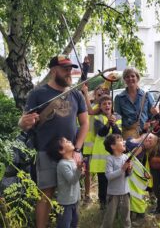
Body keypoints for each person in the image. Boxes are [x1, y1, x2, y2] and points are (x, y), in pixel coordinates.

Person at [18, 54, 88, 228]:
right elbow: (24, 122)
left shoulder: (76, 94)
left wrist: (77, 150)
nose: (69, 73)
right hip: (45, 152)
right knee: (46, 194)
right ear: (53, 71)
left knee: (71, 194)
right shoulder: (38, 94)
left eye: (70, 69)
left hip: (70, 154)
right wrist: (23, 123)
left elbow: (85, 123)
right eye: (65, 69)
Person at [89, 94, 122, 210]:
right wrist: (108, 123)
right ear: (100, 107)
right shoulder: (97, 118)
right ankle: (102, 203)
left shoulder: (117, 117)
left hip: (114, 155)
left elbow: (118, 134)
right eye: (104, 104)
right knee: (102, 182)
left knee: (114, 180)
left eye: (109, 103)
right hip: (102, 157)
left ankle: (114, 204)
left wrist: (113, 124)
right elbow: (101, 133)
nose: (107, 105)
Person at [81, 84, 110, 205]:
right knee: (87, 171)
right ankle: (87, 195)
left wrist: (86, 93)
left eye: (103, 93)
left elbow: (90, 111)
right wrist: (86, 93)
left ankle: (102, 196)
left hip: (98, 144)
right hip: (89, 144)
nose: (101, 94)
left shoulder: (100, 107)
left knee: (101, 171)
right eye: (98, 93)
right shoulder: (93, 105)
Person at [47, 137, 83, 228]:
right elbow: (72, 180)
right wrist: (79, 170)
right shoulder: (63, 164)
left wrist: (81, 172)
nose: (70, 141)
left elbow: (76, 177)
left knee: (74, 223)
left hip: (74, 200)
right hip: (66, 203)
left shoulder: (72, 161)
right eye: (66, 141)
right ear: (61, 151)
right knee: (64, 224)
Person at [125, 133, 159, 223]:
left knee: (135, 194)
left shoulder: (140, 148)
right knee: (131, 195)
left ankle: (140, 215)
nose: (149, 140)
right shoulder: (131, 139)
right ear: (146, 134)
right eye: (150, 137)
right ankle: (132, 214)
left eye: (151, 143)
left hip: (133, 173)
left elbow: (130, 157)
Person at [101, 134, 133, 228]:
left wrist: (130, 169)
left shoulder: (125, 157)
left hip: (125, 192)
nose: (124, 142)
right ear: (113, 146)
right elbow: (109, 176)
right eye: (120, 140)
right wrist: (122, 169)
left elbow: (129, 175)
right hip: (113, 194)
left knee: (126, 217)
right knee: (109, 218)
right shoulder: (110, 159)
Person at [115, 67, 155, 140]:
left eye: (133, 76)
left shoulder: (146, 95)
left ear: (137, 78)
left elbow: (153, 115)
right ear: (124, 80)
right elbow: (118, 119)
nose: (130, 78)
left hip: (145, 135)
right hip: (128, 135)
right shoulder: (119, 98)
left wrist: (149, 123)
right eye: (127, 77)